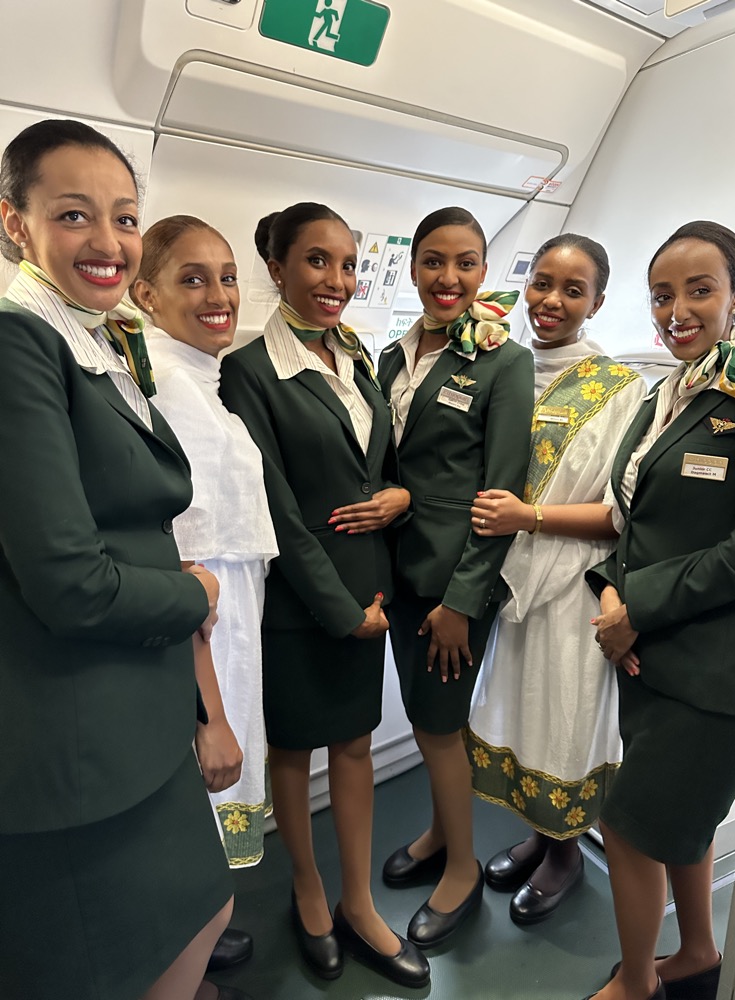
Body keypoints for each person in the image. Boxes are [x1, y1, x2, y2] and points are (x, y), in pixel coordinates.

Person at [0, 119, 249, 1000]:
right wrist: (197, 594)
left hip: (130, 712)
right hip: (76, 730)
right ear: (14, 223)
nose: (106, 242)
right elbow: (69, 580)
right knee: (135, 959)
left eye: (123, 216)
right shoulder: (18, 341)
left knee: (201, 916)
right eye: (72, 215)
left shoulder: (93, 338)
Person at [219, 202, 430, 990]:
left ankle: (358, 902)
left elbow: (383, 469)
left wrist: (399, 501)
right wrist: (343, 615)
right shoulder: (246, 374)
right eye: (316, 262)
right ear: (276, 268)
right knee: (294, 749)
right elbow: (274, 510)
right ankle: (308, 894)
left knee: (356, 746)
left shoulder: (360, 358)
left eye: (347, 264)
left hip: (366, 593)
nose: (336, 281)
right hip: (302, 608)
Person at [581, 221, 735, 1000]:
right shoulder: (671, 393)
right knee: (678, 826)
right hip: (653, 654)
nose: (676, 310)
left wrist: (635, 605)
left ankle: (637, 985)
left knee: (631, 827)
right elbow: (636, 514)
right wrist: (615, 594)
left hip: (718, 672)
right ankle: (699, 953)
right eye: (662, 295)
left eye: (699, 290)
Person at [465, 234, 646, 926]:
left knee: (566, 719)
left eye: (573, 290)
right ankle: (539, 838)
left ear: (596, 302)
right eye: (542, 283)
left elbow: (621, 514)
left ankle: (566, 854)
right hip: (508, 580)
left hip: (573, 586)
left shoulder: (621, 389)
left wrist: (530, 516)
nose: (551, 302)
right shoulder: (500, 366)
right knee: (524, 707)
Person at [372, 206, 534, 948]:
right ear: (412, 268)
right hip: (401, 575)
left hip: (453, 584)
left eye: (466, 263)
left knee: (438, 728)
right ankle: (441, 834)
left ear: (484, 273)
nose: (449, 278)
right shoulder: (388, 357)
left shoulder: (504, 361)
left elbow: (500, 490)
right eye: (434, 261)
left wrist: (464, 601)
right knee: (427, 716)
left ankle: (461, 868)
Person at [132, 215, 279, 972]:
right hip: (207, 655)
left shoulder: (197, 381)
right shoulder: (171, 398)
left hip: (231, 639)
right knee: (198, 814)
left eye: (226, 275)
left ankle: (197, 937)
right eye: (192, 278)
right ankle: (187, 960)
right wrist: (211, 718)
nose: (219, 294)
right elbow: (186, 575)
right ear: (144, 293)